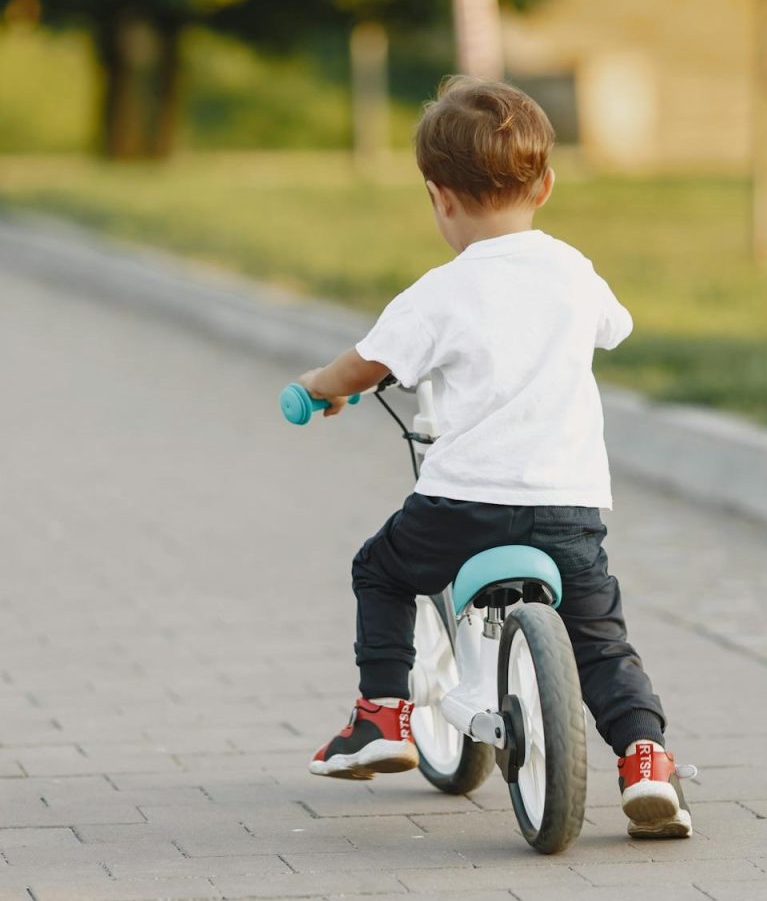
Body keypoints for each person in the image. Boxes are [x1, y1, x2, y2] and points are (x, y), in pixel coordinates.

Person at [295, 76, 693, 840]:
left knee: (380, 570)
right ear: (545, 184)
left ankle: (381, 716)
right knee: (602, 643)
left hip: (463, 505)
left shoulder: (440, 293)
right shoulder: (573, 272)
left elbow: (363, 367)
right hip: (569, 505)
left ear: (439, 198)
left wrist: (318, 388)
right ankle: (648, 761)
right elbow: (615, 327)